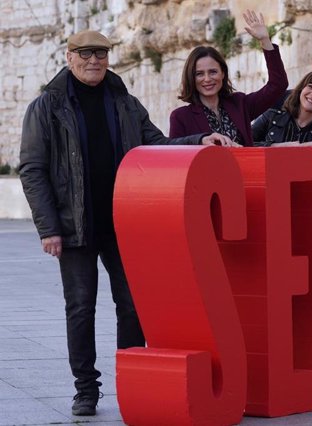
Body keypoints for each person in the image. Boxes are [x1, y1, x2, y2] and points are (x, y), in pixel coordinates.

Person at [19, 30, 220, 417]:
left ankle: (131, 380)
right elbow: (33, 169)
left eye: (102, 54)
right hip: (74, 225)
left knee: (131, 305)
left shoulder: (124, 102)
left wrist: (199, 140)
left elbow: (155, 143)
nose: (94, 60)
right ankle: (86, 390)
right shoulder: (47, 106)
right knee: (80, 307)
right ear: (69, 56)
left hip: (123, 223)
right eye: (86, 53)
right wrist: (48, 228)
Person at [169, 10, 288, 146]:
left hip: (245, 167)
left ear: (223, 73)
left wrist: (265, 41)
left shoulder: (240, 104)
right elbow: (176, 157)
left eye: (213, 72)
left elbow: (278, 85)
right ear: (191, 77)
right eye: (199, 74)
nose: (207, 79)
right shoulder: (180, 117)